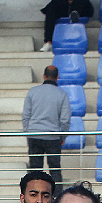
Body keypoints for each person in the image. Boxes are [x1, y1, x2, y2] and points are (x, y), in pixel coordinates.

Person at [22, 65, 71, 194]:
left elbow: (26, 115)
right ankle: (57, 199)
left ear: (44, 76)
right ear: (57, 77)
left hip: (35, 135)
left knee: (35, 170)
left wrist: (28, 132)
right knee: (55, 170)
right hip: (53, 137)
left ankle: (33, 196)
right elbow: (65, 119)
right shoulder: (62, 94)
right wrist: (63, 136)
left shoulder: (33, 92)